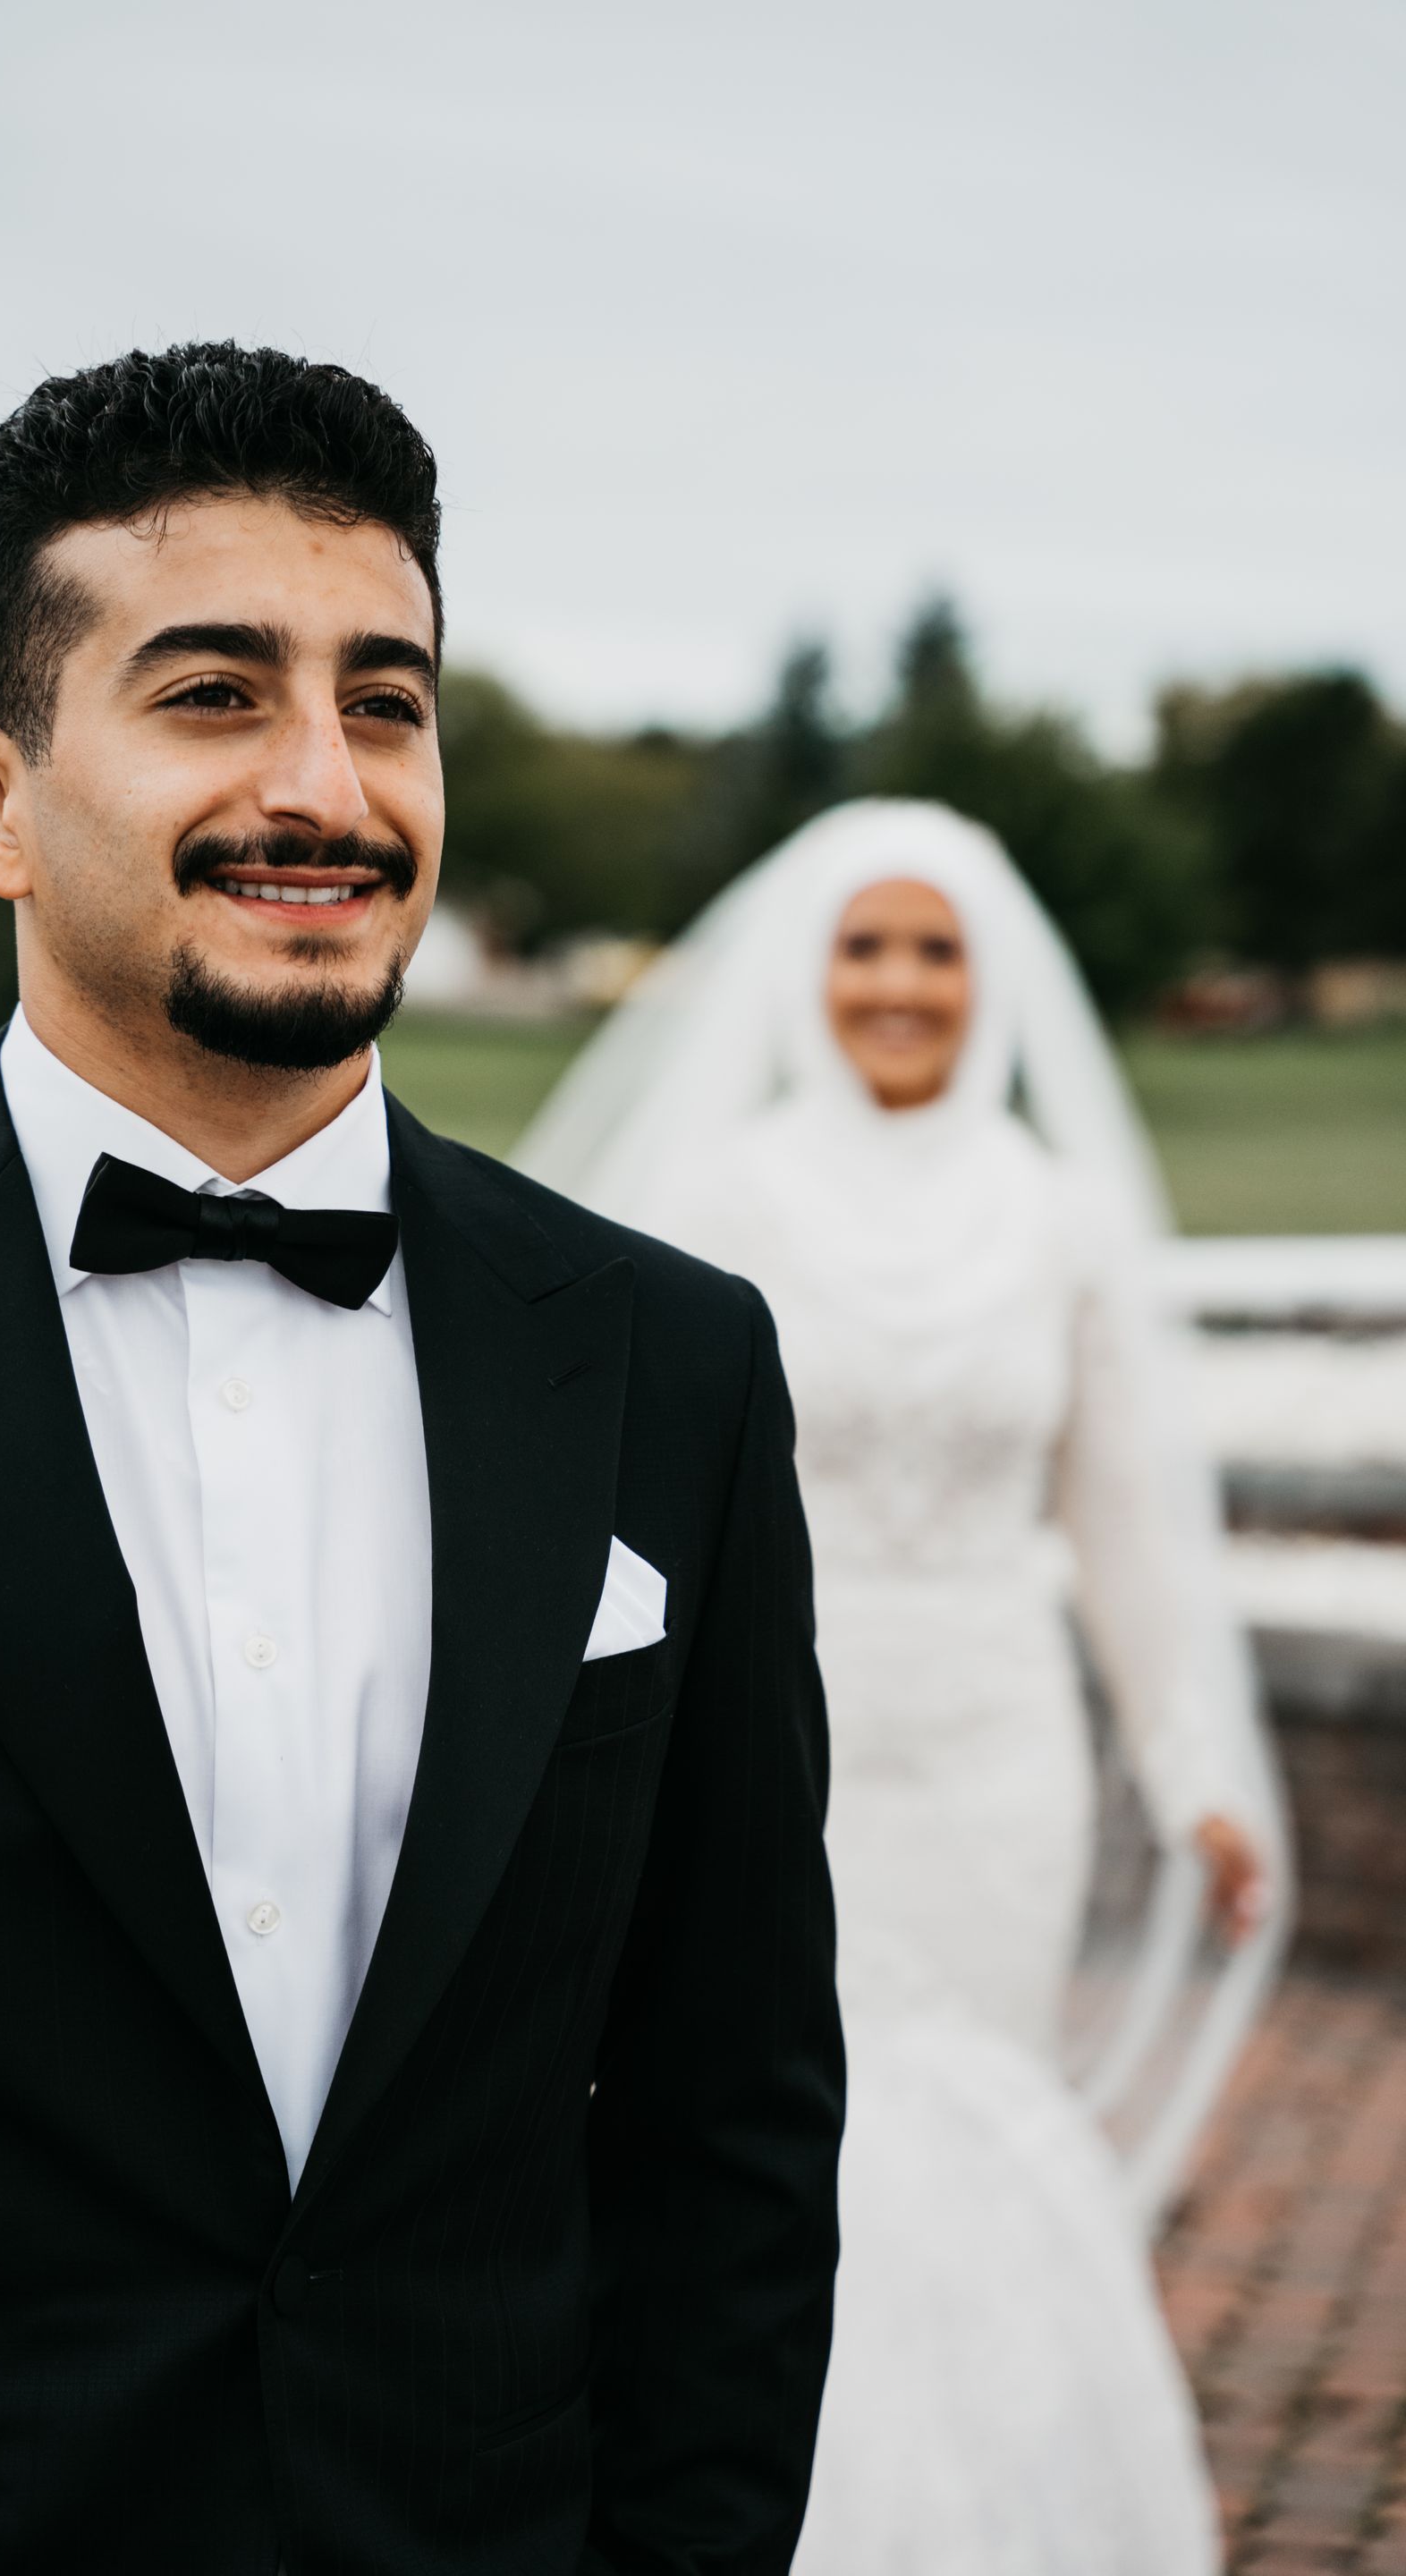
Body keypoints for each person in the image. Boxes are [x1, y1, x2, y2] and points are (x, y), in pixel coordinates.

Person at [0, 343, 843, 2575]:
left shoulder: (669, 1366)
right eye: (214, 693)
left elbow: (731, 2120)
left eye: (385, 699)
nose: (327, 780)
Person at [518, 799, 1291, 2575]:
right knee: (771, 2115)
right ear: (807, 976)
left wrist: (1197, 1779)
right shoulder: (722, 1196)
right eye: (864, 945)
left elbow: (1127, 1535)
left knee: (966, 2118)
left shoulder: (1063, 1219)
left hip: (993, 1753)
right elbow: (618, 1493)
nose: (898, 982)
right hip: (767, 1745)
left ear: (990, 981)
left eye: (935, 949)